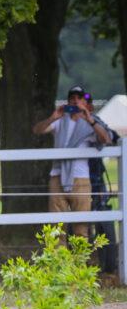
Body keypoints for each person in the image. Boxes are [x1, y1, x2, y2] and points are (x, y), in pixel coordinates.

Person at [32, 84, 111, 239]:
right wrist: (53, 117)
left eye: (79, 98)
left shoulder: (90, 123)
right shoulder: (60, 120)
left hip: (81, 179)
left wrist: (90, 120)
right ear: (68, 102)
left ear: (84, 102)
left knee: (81, 228)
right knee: (56, 228)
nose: (75, 101)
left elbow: (105, 139)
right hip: (57, 176)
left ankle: (79, 263)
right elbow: (37, 130)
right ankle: (60, 263)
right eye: (72, 98)